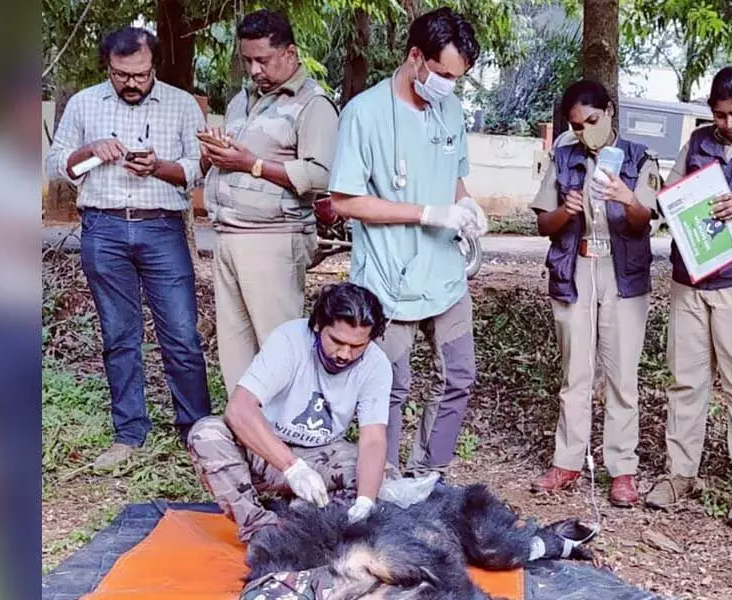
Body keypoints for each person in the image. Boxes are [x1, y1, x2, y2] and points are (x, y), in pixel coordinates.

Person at [326, 7, 488, 476]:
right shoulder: (365, 114)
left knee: (458, 375)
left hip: (445, 277)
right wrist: (426, 214)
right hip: (388, 279)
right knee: (390, 387)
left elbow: (455, 178)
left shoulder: (451, 108)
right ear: (415, 56)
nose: (447, 86)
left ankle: (428, 474)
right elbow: (345, 200)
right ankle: (388, 479)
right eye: (441, 74)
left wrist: (467, 205)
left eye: (457, 78)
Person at [45, 27, 210, 469]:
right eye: (122, 75)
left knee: (181, 334)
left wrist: (160, 167)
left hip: (162, 228)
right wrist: (88, 150)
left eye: (140, 73)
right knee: (119, 336)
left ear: (153, 65)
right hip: (104, 229)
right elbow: (56, 163)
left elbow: (197, 169)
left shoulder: (181, 104)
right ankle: (129, 433)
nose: (132, 83)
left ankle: (197, 433)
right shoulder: (84, 103)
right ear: (108, 68)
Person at [644, 66, 732, 528]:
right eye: (719, 115)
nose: (728, 124)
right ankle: (680, 475)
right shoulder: (698, 142)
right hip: (689, 281)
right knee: (685, 381)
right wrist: (669, 199)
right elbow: (670, 194)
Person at [528, 81, 662, 507]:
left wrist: (626, 197)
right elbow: (542, 225)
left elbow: (645, 222)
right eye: (576, 125)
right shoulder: (564, 156)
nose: (584, 131)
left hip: (622, 273)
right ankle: (567, 460)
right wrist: (564, 212)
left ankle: (622, 469)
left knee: (622, 375)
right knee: (576, 372)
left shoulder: (639, 158)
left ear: (609, 113)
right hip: (577, 267)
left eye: (592, 121)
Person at [187, 283, 398, 542]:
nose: (345, 353)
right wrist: (293, 468)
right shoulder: (289, 340)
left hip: (321, 454)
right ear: (319, 324)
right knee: (206, 434)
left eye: (357, 346)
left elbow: (373, 439)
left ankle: (321, 519)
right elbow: (239, 408)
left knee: (384, 477)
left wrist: (366, 501)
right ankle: (260, 528)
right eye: (337, 341)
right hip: (265, 451)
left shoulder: (376, 365)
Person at [200, 9, 339, 394]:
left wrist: (252, 163)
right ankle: (248, 436)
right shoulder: (241, 101)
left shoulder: (313, 105)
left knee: (279, 345)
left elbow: (322, 175)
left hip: (274, 239)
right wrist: (214, 153)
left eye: (263, 59)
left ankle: (286, 439)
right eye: (248, 61)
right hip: (228, 236)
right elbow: (233, 161)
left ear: (290, 53)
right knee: (234, 346)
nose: (255, 70)